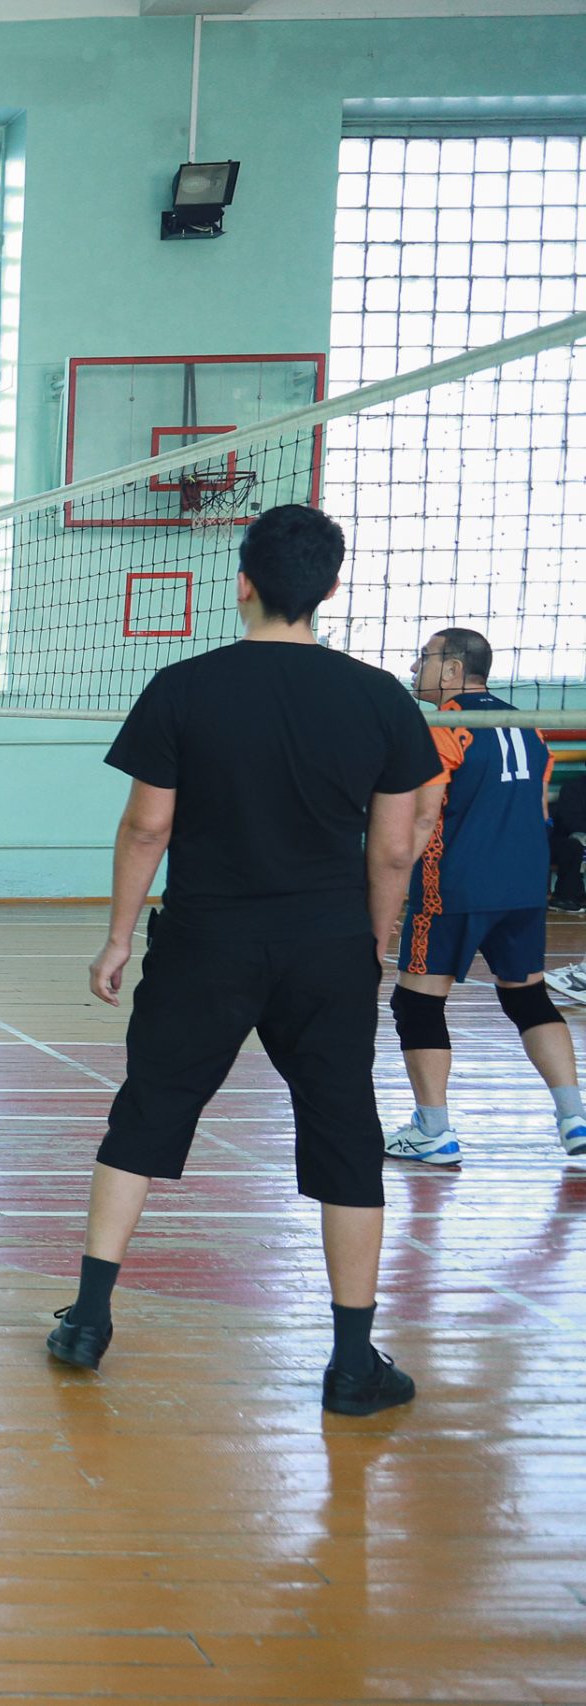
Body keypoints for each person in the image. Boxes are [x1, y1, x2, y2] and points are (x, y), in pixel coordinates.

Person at [45, 505, 437, 1418]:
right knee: (346, 1136)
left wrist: (118, 936)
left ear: (243, 583)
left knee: (147, 1111)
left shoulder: (184, 686)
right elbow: (395, 847)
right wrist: (371, 944)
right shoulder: (381, 697)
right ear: (330, 588)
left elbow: (148, 825)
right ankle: (352, 1363)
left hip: (204, 942)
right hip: (326, 946)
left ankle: (88, 1321)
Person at [382, 628, 584, 1165]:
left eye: (424, 658)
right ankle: (575, 1118)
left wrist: (390, 887)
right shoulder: (530, 726)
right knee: (528, 998)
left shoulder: (444, 727)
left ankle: (433, 1130)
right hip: (525, 887)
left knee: (417, 1002)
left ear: (452, 670)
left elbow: (423, 817)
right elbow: (540, 810)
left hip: (455, 885)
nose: (415, 668)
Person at [551, 769, 585, 914]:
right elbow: (572, 823)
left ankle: (575, 894)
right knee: (575, 844)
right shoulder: (573, 788)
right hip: (570, 839)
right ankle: (567, 896)